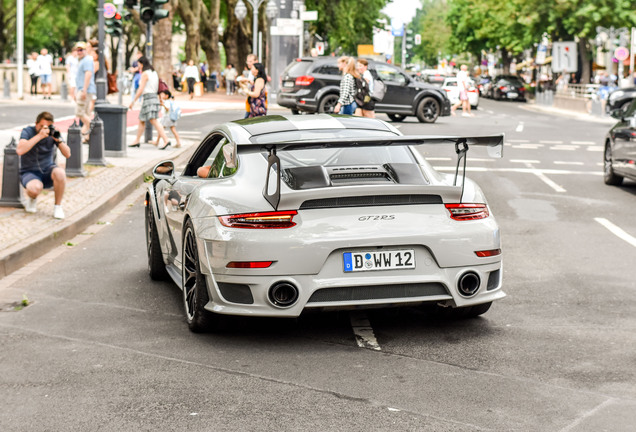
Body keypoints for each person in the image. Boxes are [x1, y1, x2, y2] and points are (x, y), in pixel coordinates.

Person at [16, 112, 71, 219]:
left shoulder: (53, 133)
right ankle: (32, 199)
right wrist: (39, 136)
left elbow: (68, 154)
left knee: (60, 173)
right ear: (36, 123)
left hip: (48, 170)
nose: (44, 129)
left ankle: (58, 207)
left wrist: (58, 140)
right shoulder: (27, 131)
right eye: (41, 126)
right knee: (35, 188)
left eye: (47, 126)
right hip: (29, 172)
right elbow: (20, 150)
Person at [128, 56, 171, 149]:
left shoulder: (145, 74)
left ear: (142, 64)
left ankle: (166, 139)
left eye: (139, 64)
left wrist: (133, 101)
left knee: (153, 120)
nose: (138, 66)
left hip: (148, 98)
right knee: (142, 120)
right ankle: (137, 140)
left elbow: (140, 89)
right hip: (153, 97)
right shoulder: (154, 72)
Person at [74, 42, 96, 142]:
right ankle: (87, 136)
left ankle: (93, 127)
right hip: (84, 89)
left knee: (79, 112)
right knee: (86, 112)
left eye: (81, 50)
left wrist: (84, 90)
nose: (79, 52)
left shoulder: (87, 60)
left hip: (85, 90)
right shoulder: (83, 60)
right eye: (78, 50)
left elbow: (88, 74)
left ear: (86, 50)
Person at [236, 54, 257, 118]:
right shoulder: (251, 71)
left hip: (255, 103)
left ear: (256, 61)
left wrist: (248, 81)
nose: (248, 63)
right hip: (251, 100)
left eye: (250, 61)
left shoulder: (256, 71)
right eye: (247, 61)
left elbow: (257, 87)